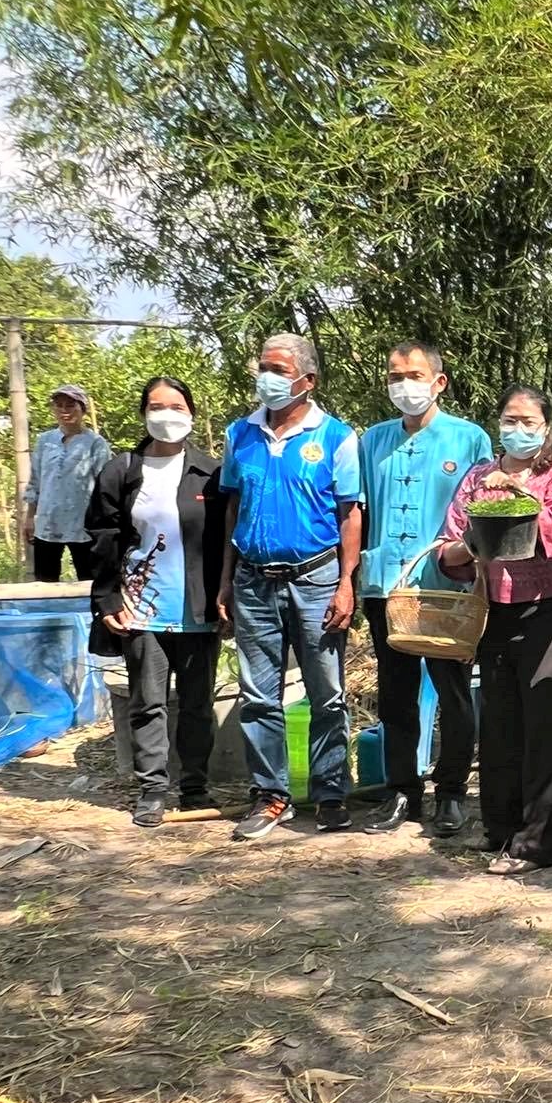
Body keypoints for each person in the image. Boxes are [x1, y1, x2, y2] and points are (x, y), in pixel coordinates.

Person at [217, 332, 363, 841]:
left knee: (327, 694)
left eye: (279, 369)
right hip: (253, 580)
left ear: (308, 380)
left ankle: (329, 794)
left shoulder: (338, 438)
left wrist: (346, 584)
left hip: (317, 578)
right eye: (264, 367)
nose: (268, 378)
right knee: (259, 695)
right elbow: (232, 509)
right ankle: (270, 795)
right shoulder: (241, 434)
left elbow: (350, 513)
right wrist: (225, 581)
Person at [439, 387, 552, 871]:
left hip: (547, 610)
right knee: (498, 721)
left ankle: (538, 842)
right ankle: (498, 828)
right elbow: (449, 545)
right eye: (509, 419)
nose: (518, 429)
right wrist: (468, 547)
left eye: (528, 421)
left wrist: (519, 493)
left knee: (544, 723)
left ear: (547, 427)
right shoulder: (478, 477)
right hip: (492, 609)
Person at [356, 341, 493, 837]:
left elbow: (484, 512)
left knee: (454, 691)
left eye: (414, 375)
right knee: (395, 694)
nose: (403, 385)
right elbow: (358, 511)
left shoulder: (469, 439)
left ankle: (452, 791)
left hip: (446, 588)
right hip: (385, 587)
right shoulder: (371, 441)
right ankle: (401, 792)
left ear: (439, 382)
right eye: (395, 376)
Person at [86, 377, 225, 827]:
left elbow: (226, 542)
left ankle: (195, 786)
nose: (167, 415)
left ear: (191, 413)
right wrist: (107, 599)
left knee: (198, 703)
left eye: (176, 406)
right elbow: (102, 538)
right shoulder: (121, 469)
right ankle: (152, 789)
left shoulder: (213, 473)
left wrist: (229, 600)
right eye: (157, 406)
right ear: (144, 413)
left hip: (198, 608)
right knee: (148, 701)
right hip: (141, 606)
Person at [23, 384, 112, 582]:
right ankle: (48, 614)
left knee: (88, 581)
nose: (64, 411)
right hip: (48, 521)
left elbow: (104, 486)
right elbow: (36, 480)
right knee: (44, 582)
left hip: (82, 524)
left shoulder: (95, 443)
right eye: (59, 406)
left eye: (71, 406)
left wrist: (104, 525)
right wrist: (30, 517)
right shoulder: (45, 440)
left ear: (83, 409)